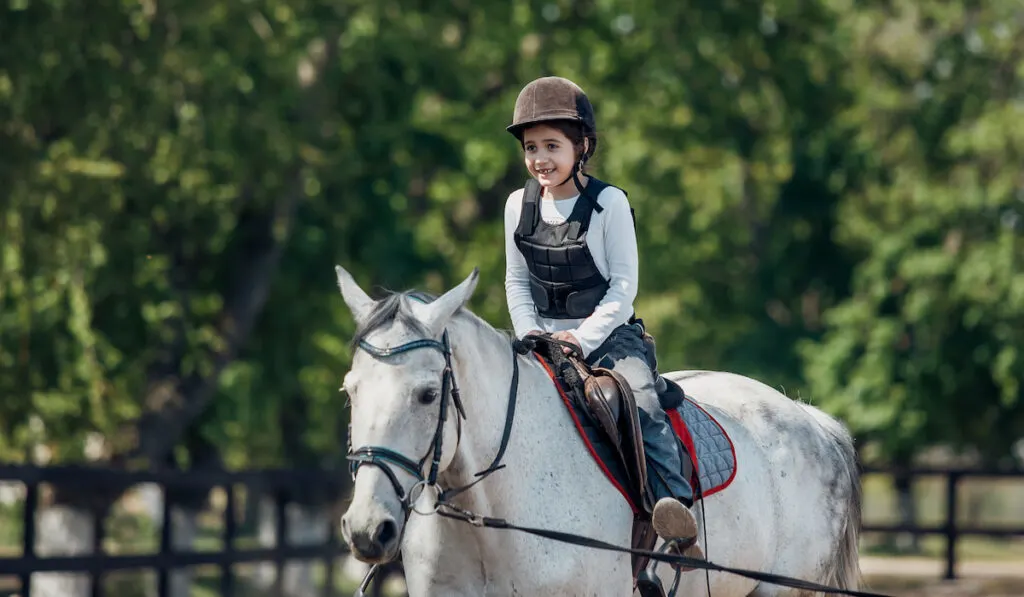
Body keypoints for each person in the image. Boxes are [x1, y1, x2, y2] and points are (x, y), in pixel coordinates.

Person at [501, 75, 704, 566]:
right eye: (531, 148)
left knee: (641, 399)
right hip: (541, 337)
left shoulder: (609, 203)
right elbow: (516, 282)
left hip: (610, 337)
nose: (540, 159)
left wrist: (581, 336)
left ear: (582, 145)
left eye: (552, 145)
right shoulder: (517, 205)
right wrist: (533, 332)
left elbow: (623, 288)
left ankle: (672, 507)